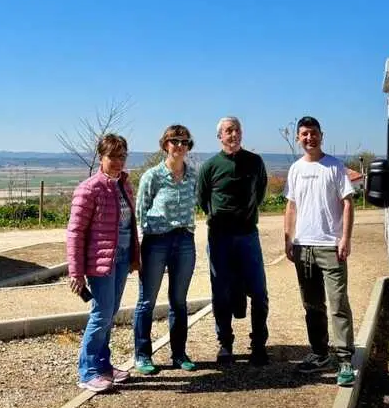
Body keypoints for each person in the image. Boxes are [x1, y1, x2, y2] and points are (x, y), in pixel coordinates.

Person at [283, 116, 357, 387]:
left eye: (313, 133)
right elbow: (291, 206)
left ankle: (345, 358)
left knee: (338, 304)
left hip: (330, 246)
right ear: (298, 138)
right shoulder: (295, 169)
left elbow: (347, 203)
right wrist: (288, 238)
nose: (309, 138)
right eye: (304, 134)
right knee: (312, 305)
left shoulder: (335, 167)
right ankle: (320, 353)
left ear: (321, 135)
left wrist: (345, 238)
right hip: (303, 247)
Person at [66, 133, 140, 392]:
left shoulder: (125, 185)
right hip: (100, 262)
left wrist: (134, 257)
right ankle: (87, 372)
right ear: (101, 157)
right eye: (113, 156)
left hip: (121, 259)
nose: (118, 161)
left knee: (109, 313)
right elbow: (75, 232)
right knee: (101, 314)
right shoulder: (88, 189)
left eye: (122, 156)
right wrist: (76, 272)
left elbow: (130, 225)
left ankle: (103, 365)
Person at [197, 116, 270, 366]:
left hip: (248, 236)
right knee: (221, 292)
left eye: (237, 130)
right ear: (220, 136)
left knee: (259, 292)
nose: (234, 134)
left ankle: (258, 344)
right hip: (219, 238)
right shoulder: (210, 166)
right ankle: (225, 343)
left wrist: (244, 215)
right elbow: (202, 198)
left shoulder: (255, 162)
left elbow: (259, 192)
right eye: (228, 131)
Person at [133, 125, 199, 375]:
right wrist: (138, 247)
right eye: (174, 141)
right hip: (156, 242)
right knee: (147, 301)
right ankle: (142, 355)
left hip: (184, 240)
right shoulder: (152, 176)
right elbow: (140, 211)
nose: (179, 146)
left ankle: (179, 354)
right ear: (165, 145)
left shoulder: (193, 176)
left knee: (179, 301)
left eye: (184, 141)